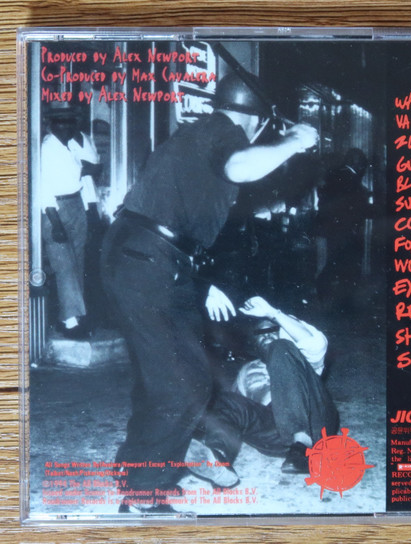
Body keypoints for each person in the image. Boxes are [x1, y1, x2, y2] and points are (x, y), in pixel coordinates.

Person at [100, 72, 318, 511]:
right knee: (184, 381)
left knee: (167, 376)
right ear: (259, 120)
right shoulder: (225, 131)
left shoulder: (199, 132)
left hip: (148, 257)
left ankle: (137, 471)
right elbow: (240, 167)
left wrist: (202, 281)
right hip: (149, 261)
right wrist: (294, 140)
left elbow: (183, 215)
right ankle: (142, 496)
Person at [188, 295, 339, 487]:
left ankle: (303, 444)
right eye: (261, 333)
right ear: (254, 343)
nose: (267, 336)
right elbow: (231, 412)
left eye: (272, 330)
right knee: (223, 398)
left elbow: (316, 344)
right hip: (274, 435)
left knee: (281, 348)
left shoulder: (301, 359)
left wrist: (273, 314)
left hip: (315, 424)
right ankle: (218, 460)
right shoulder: (248, 371)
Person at [40, 104, 99, 339]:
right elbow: (43, 188)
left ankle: (76, 316)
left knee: (77, 263)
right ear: (51, 125)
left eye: (70, 122)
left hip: (76, 204)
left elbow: (93, 164)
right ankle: (70, 322)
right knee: (63, 265)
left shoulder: (71, 144)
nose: (66, 126)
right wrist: (55, 223)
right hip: (55, 209)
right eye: (61, 122)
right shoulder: (47, 149)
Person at [316, 148, 371, 308]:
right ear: (354, 161)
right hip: (347, 229)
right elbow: (354, 206)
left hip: (335, 229)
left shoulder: (336, 175)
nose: (363, 166)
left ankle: (329, 295)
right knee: (348, 265)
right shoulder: (350, 179)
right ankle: (343, 301)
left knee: (337, 262)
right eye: (361, 162)